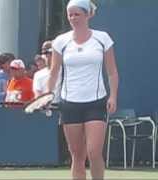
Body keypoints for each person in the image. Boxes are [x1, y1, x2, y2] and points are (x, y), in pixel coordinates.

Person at [45, 0, 119, 179]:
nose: (73, 18)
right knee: (77, 156)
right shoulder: (60, 41)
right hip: (69, 104)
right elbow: (54, 73)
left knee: (94, 153)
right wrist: (48, 95)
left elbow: (112, 72)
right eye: (70, 14)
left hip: (96, 102)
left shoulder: (102, 38)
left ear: (87, 15)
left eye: (77, 14)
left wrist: (113, 96)